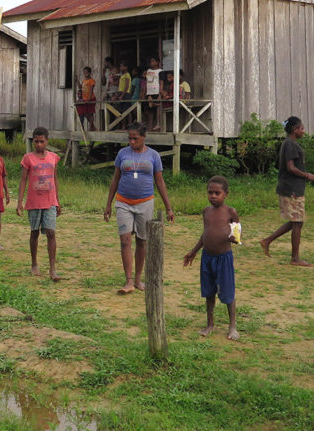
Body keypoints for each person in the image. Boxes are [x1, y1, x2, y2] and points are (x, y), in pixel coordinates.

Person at [103, 122, 175, 294]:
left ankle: (137, 279)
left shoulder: (154, 156)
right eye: (129, 138)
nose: (131, 142)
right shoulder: (122, 154)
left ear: (143, 137)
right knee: (125, 240)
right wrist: (108, 204)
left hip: (145, 203)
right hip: (123, 203)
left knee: (142, 241)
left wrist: (169, 208)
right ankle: (128, 281)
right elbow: (115, 180)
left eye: (135, 138)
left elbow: (160, 181)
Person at [183, 176, 241, 340]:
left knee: (228, 292)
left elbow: (237, 235)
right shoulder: (206, 211)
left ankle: (232, 327)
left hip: (224, 258)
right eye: (210, 192)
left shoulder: (231, 212)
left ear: (226, 194)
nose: (213, 196)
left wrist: (234, 238)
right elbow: (205, 234)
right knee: (209, 292)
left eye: (217, 193)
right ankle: (210, 324)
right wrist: (194, 251)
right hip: (207, 258)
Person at [259, 116, 314, 266]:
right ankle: (295, 258)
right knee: (297, 222)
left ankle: (267, 241)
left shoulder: (289, 143)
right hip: (291, 189)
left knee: (296, 221)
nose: (303, 131)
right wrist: (307, 175)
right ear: (295, 130)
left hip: (293, 187)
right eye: (302, 128)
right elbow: (290, 167)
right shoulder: (290, 144)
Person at [17, 127, 61, 281]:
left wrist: (58, 201)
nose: (39, 144)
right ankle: (34, 263)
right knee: (34, 232)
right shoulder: (28, 158)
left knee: (51, 233)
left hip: (50, 201)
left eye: (42, 141)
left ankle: (52, 269)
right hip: (34, 201)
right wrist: (19, 202)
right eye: (36, 141)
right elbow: (23, 180)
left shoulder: (53, 157)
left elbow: (55, 180)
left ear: (47, 141)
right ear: (33, 141)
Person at [76, 66, 96, 130]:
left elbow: (91, 90)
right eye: (84, 73)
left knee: (91, 113)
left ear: (90, 73)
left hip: (91, 98)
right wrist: (77, 80)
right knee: (86, 113)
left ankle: (91, 127)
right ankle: (92, 126)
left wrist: (89, 99)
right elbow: (80, 87)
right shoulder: (84, 81)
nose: (85, 74)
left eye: (86, 73)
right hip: (85, 99)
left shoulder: (92, 81)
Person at [144, 57, 162, 129]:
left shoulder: (160, 71)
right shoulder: (148, 71)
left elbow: (161, 83)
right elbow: (147, 82)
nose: (151, 63)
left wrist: (160, 94)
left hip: (156, 91)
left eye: (153, 61)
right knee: (149, 110)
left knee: (157, 108)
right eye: (151, 61)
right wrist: (145, 92)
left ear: (158, 62)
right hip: (149, 92)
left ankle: (158, 124)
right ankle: (150, 126)